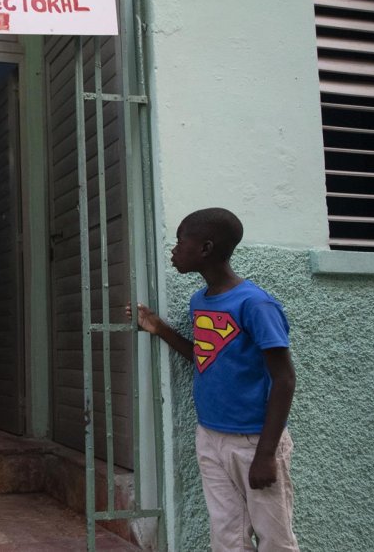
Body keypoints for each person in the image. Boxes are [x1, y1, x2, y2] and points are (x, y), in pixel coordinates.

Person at [131, 208, 298, 552]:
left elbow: (284, 379)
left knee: (275, 539)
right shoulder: (200, 301)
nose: (174, 249)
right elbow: (205, 356)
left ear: (205, 248)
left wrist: (266, 454)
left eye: (181, 242)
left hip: (254, 441)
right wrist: (159, 328)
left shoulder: (256, 305)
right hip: (211, 436)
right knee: (226, 537)